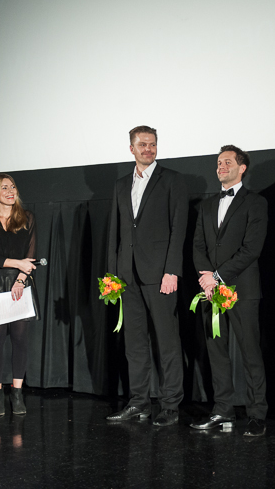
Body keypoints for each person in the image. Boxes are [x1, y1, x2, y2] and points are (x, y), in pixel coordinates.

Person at [106, 125, 188, 427]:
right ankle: (138, 403)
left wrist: (172, 270)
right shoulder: (121, 185)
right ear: (132, 149)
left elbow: (178, 229)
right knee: (135, 344)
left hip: (160, 274)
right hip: (127, 275)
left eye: (152, 144)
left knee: (167, 342)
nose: (148, 149)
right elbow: (115, 231)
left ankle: (170, 405)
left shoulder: (173, 180)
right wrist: (113, 275)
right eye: (142, 144)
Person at [191, 145, 268, 437]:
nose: (221, 167)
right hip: (210, 290)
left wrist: (218, 276)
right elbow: (198, 245)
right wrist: (207, 278)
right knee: (216, 352)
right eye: (218, 163)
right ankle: (223, 409)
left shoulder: (256, 202)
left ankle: (257, 414)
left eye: (227, 162)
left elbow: (252, 248)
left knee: (250, 352)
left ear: (242, 168)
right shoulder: (207, 205)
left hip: (242, 289)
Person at [0, 173, 39, 417]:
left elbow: (31, 254)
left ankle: (17, 394)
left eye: (13, 186)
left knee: (20, 339)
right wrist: (17, 262)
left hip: (20, 281)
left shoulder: (27, 217)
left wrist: (21, 278)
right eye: (4, 188)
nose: (11, 191)